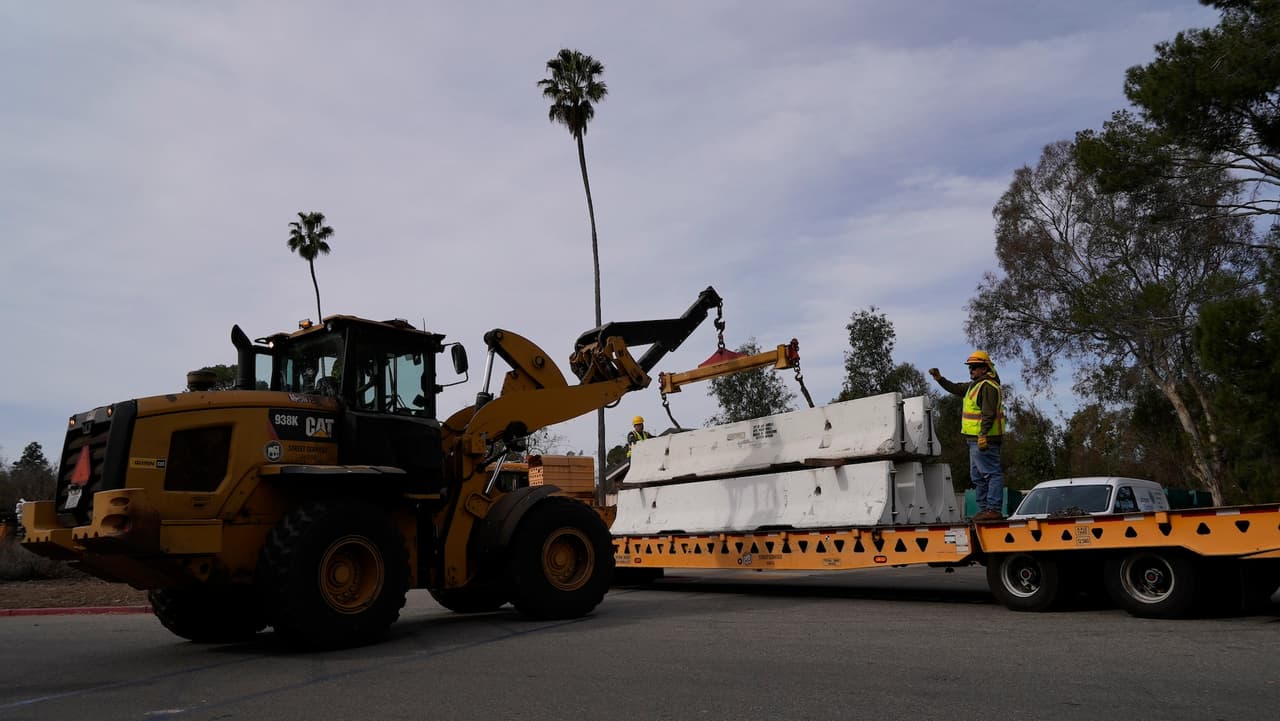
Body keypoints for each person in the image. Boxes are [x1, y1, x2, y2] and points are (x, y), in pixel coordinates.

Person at [929, 350, 1006, 521]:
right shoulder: (975, 386)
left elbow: (989, 413)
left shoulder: (988, 386)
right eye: (970, 367)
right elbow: (956, 388)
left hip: (984, 439)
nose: (971, 370)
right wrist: (940, 379)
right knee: (978, 476)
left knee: (991, 473)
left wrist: (983, 434)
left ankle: (993, 509)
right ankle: (986, 509)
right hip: (973, 440)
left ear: (985, 369)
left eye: (974, 367)